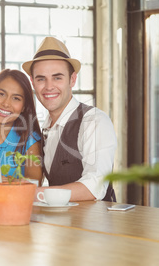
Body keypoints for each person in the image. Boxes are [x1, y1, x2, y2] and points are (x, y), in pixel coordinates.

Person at [22, 37, 117, 202]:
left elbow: (94, 186)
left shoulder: (94, 121)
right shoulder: (43, 129)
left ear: (72, 79)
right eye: (41, 79)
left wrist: (31, 194)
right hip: (61, 225)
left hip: (97, 225)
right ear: (33, 82)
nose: (49, 86)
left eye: (57, 77)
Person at [0, 69, 43, 184]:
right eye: (1, 94)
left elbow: (34, 184)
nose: (6, 103)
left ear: (24, 107)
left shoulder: (30, 140)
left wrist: (4, 181)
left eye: (16, 98)